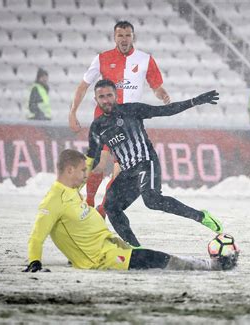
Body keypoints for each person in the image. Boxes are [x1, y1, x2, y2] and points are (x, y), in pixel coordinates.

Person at [24, 149, 238, 273]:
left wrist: (94, 148)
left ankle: (207, 264)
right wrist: (35, 263)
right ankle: (212, 266)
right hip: (100, 259)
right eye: (81, 171)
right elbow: (36, 236)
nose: (85, 175)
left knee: (152, 258)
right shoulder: (53, 201)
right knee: (154, 259)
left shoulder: (70, 188)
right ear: (69, 171)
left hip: (110, 246)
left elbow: (88, 165)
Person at [86, 79, 223, 248]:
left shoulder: (132, 109)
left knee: (152, 200)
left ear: (116, 95)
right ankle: (136, 249)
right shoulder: (97, 127)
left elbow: (165, 110)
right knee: (110, 207)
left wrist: (195, 101)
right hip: (127, 173)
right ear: (96, 99)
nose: (106, 100)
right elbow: (92, 157)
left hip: (146, 163)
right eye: (101, 97)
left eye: (109, 95)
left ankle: (201, 217)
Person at [69, 20, 171, 211]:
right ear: (114, 37)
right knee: (99, 165)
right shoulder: (102, 58)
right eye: (120, 35)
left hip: (130, 124)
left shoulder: (145, 59)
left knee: (121, 172)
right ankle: (89, 202)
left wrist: (162, 94)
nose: (124, 39)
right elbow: (83, 86)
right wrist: (73, 112)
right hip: (106, 120)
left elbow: (156, 86)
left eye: (127, 35)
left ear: (133, 36)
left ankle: (103, 210)